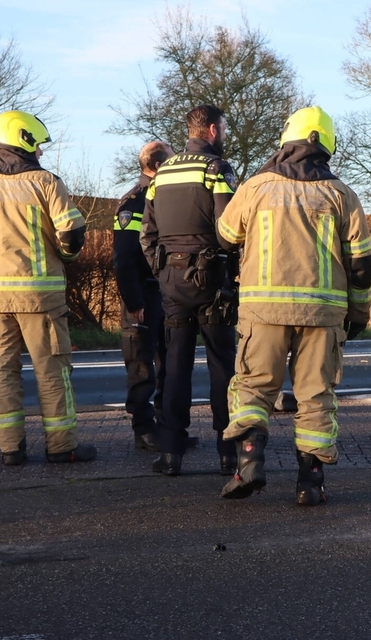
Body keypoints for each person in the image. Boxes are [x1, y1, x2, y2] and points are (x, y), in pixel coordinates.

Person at [216, 106, 371, 506]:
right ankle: (310, 483)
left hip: (263, 313)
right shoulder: (343, 195)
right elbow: (360, 267)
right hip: (322, 315)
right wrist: (358, 314)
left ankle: (249, 462)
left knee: (252, 388)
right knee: (316, 396)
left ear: (286, 140)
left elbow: (225, 234)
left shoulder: (256, 187)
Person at [0, 110, 96, 465]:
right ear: (24, 140)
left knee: (1, 372)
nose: (41, 153)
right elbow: (72, 233)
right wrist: (64, 256)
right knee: (52, 372)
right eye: (38, 145)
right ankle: (62, 447)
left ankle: (10, 450)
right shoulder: (45, 183)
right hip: (40, 298)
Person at [140, 104, 238, 477]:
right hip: (212, 282)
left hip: (172, 284)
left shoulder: (163, 171)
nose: (224, 134)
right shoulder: (217, 169)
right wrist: (229, 270)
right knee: (222, 368)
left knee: (175, 367)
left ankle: (171, 454)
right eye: (224, 128)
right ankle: (228, 453)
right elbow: (230, 229)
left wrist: (163, 272)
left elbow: (147, 235)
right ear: (212, 130)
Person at [113, 140, 195, 452]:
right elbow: (124, 256)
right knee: (141, 366)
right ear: (159, 166)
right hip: (144, 297)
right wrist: (134, 302)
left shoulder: (166, 197)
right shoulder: (134, 201)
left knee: (170, 364)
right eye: (173, 162)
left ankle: (168, 429)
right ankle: (143, 430)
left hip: (167, 293)